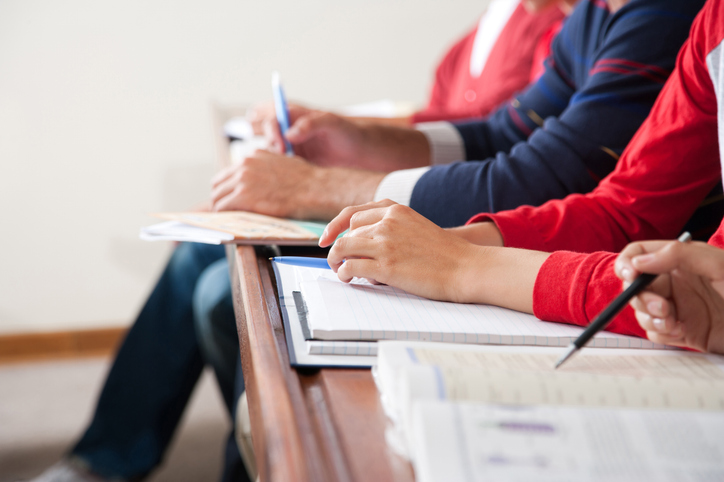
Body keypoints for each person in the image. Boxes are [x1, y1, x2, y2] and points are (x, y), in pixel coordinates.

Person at [30, 3, 567, 482]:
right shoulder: (494, 27)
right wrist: (342, 130)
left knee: (220, 289)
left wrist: (317, 178)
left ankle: (135, 457)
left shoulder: (558, 28)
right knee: (209, 258)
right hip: (419, 189)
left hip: (443, 209)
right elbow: (445, 129)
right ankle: (119, 457)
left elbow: (505, 154)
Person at [319, 0, 724, 356]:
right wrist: (446, 244)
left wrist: (463, 266)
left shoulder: (667, 15)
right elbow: (622, 210)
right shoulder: (709, 21)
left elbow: (710, 292)